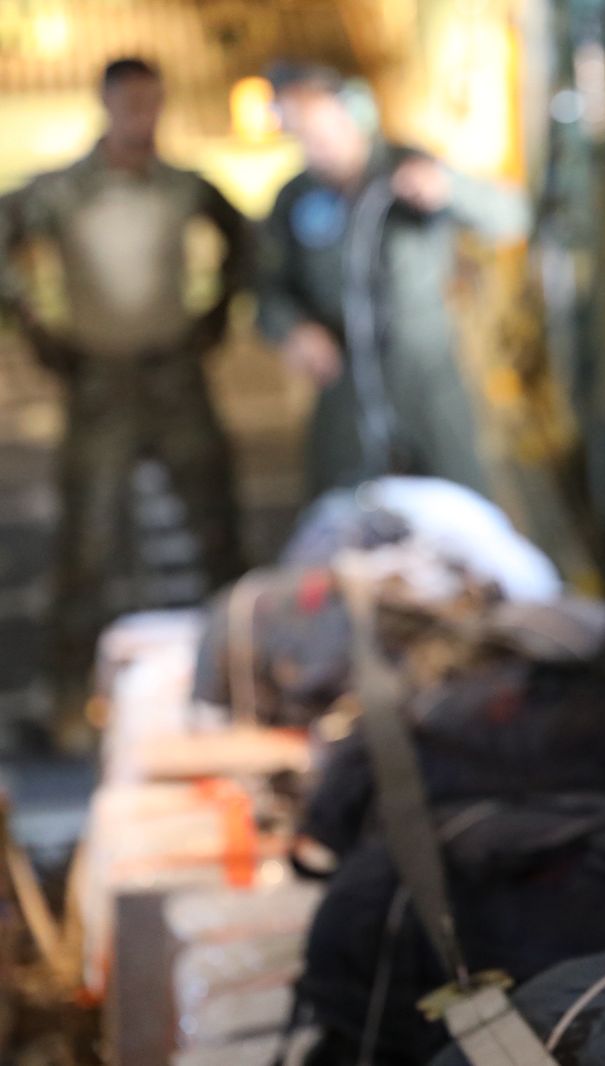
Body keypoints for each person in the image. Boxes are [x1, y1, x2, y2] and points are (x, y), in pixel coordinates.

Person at [0, 57, 247, 744]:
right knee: (86, 545)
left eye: (153, 103)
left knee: (217, 532)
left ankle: (243, 677)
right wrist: (34, 323)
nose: (143, 118)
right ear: (107, 105)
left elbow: (240, 237)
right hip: (101, 384)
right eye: (131, 104)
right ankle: (70, 701)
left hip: (174, 377)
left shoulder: (180, 186)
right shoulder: (65, 191)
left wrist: (217, 312)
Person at [257, 63, 529, 501]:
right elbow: (267, 289)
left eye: (326, 130)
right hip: (342, 382)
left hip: (426, 378)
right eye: (305, 136)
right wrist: (293, 330)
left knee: (461, 502)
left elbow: (512, 217)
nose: (320, 147)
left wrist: (449, 189)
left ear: (355, 115)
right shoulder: (294, 197)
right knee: (337, 509)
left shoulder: (409, 167)